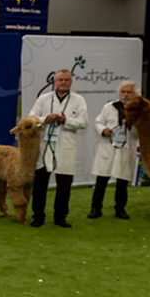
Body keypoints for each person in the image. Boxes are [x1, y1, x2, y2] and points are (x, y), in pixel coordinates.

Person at [28, 69, 89, 228]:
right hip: (45, 147)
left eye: (66, 80)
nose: (63, 83)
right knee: (40, 185)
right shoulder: (44, 98)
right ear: (54, 82)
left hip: (66, 147)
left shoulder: (78, 100)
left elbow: (84, 122)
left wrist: (65, 120)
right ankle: (38, 216)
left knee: (64, 186)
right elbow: (31, 118)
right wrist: (45, 119)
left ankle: (60, 217)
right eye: (60, 80)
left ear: (71, 82)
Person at [88, 81, 139, 219]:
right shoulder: (109, 106)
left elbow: (140, 131)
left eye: (129, 92)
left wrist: (131, 124)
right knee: (101, 179)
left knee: (122, 181)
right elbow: (98, 122)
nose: (125, 95)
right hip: (108, 146)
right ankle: (96, 208)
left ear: (135, 94)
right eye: (123, 92)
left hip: (126, 148)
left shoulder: (138, 110)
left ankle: (120, 209)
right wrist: (103, 130)